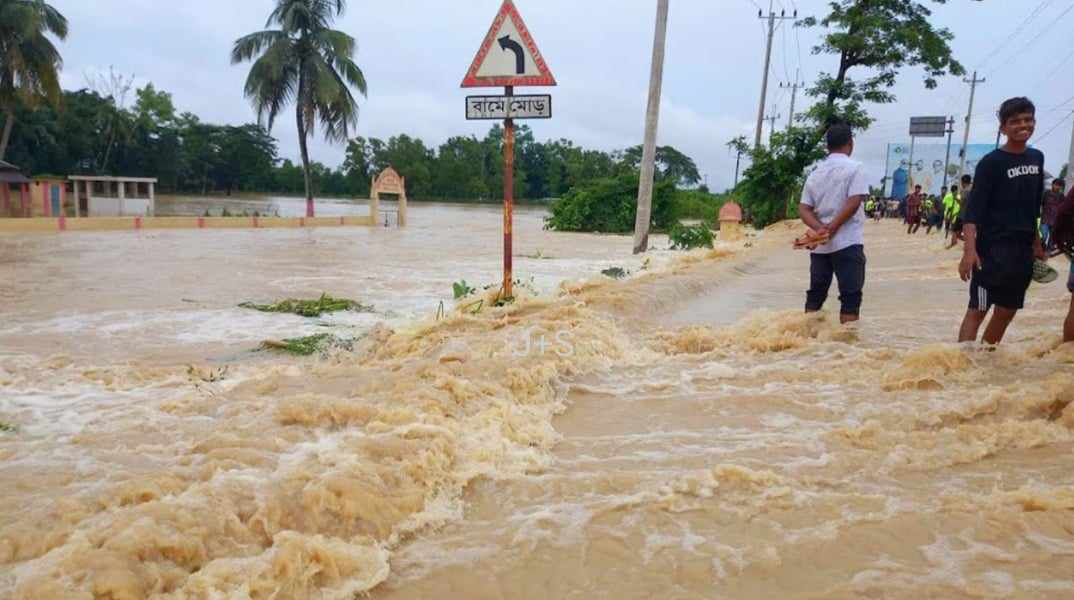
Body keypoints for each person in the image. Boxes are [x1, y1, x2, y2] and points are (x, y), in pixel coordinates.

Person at [958, 97, 1047, 345]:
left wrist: (1037, 244)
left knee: (1007, 311)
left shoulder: (1037, 158)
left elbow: (1034, 207)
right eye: (1015, 121)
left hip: (1022, 252)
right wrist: (969, 252)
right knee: (979, 309)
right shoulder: (991, 163)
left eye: (1028, 119)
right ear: (1003, 128)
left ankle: (986, 361)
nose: (1023, 125)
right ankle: (962, 367)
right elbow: (973, 212)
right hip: (991, 251)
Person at [799, 123, 869, 324]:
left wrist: (819, 229)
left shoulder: (815, 173)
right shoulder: (856, 168)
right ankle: (846, 350)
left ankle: (807, 343)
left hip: (820, 247)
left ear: (827, 146)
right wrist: (833, 228)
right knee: (850, 298)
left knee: (815, 296)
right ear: (850, 144)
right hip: (848, 242)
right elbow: (854, 201)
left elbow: (804, 208)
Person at [1041, 178, 1066, 251]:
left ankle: (1048, 252)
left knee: (1052, 238)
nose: (1057, 187)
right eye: (1056, 184)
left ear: (1061, 187)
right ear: (1052, 184)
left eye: (1059, 185)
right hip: (1045, 218)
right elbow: (1042, 204)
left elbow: (1063, 207)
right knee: (1044, 235)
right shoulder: (1046, 193)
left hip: (1055, 220)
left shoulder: (1061, 196)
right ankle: (1041, 249)